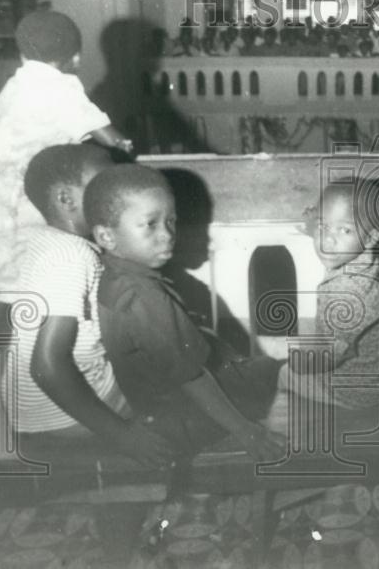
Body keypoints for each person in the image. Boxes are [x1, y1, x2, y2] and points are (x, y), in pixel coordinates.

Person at [0, 11, 133, 374]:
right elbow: (113, 138)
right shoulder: (63, 87)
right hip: (4, 210)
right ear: (74, 58)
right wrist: (124, 153)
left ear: (22, 53)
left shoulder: (17, 83)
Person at [85, 164, 283, 457]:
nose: (167, 234)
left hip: (164, 411)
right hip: (185, 420)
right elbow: (191, 378)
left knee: (268, 368)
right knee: (278, 372)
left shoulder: (119, 276)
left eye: (171, 221)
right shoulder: (143, 295)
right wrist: (246, 432)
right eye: (150, 224)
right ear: (106, 237)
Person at [2, 144, 173, 465]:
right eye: (103, 184)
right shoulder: (71, 255)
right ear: (66, 199)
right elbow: (47, 365)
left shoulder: (39, 240)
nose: (115, 192)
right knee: (190, 371)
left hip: (29, 413)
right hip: (67, 415)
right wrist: (122, 436)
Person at [270, 182, 379, 423]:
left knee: (281, 373)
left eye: (344, 230)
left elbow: (331, 355)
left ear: (370, 238)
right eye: (322, 227)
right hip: (374, 375)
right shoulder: (364, 256)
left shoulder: (349, 294)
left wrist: (298, 363)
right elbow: (335, 231)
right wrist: (317, 226)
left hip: (355, 392)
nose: (327, 240)